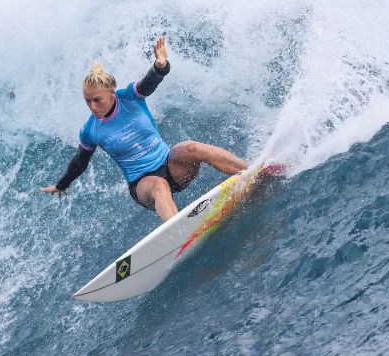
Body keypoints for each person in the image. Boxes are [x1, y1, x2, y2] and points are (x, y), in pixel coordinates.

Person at [41, 37, 252, 222]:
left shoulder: (129, 97)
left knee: (191, 147)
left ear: (112, 93)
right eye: (88, 101)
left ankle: (251, 172)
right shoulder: (90, 130)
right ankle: (179, 234)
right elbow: (79, 162)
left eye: (97, 100)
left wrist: (160, 66)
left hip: (173, 167)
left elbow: (148, 84)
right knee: (160, 185)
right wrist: (61, 185)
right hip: (142, 184)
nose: (93, 107)